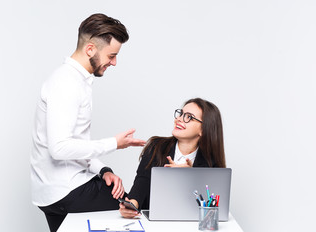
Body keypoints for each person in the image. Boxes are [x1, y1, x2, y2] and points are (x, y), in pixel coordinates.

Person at [31, 13, 146, 232]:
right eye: (111, 55)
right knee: (133, 209)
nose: (114, 62)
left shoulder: (75, 80)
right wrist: (115, 143)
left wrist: (103, 170)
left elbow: (74, 144)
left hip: (52, 191)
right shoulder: (66, 83)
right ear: (91, 49)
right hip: (65, 190)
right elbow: (59, 148)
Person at [119, 98, 226, 218]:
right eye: (181, 114)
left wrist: (192, 176)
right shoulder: (156, 146)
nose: (179, 119)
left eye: (189, 117)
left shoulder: (211, 163)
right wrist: (131, 205)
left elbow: (211, 210)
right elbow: (141, 182)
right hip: (154, 222)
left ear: (203, 129)